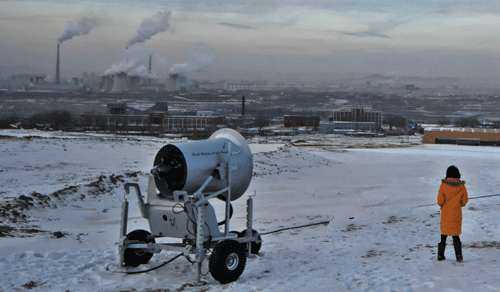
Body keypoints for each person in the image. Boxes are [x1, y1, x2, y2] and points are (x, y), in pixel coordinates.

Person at [437, 165, 468, 262]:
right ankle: (459, 256)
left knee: (443, 235)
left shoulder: (443, 185)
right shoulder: (461, 186)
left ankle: (440, 255)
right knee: (456, 235)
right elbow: (464, 202)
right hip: (456, 213)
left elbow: (440, 201)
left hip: (445, 214)